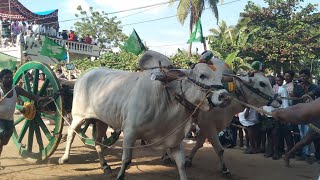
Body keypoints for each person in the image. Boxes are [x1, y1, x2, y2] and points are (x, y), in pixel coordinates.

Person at [0, 69, 47, 169]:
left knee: (4, 142)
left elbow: (30, 95)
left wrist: (40, 99)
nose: (9, 79)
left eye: (10, 77)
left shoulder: (16, 89)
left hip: (9, 121)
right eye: (6, 78)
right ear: (0, 79)